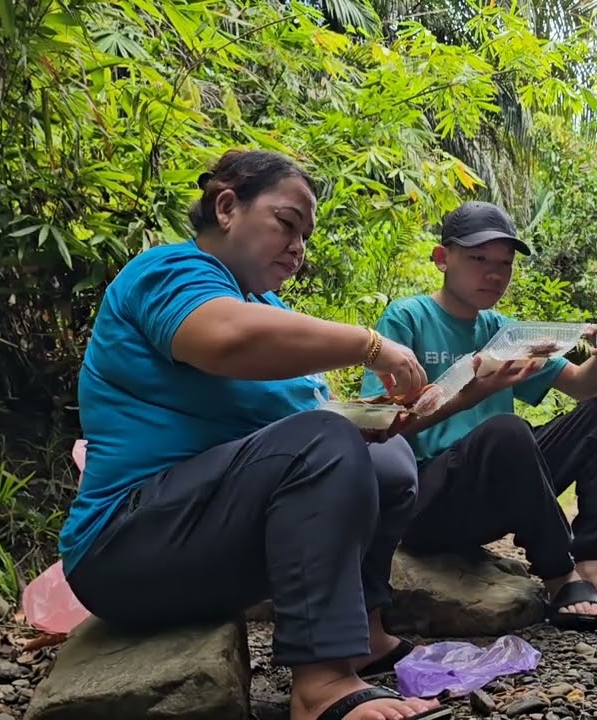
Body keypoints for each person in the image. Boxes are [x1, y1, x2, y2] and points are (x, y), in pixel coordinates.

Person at [58, 149, 450, 720]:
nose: (298, 247)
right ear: (226, 207)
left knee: (388, 458)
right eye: (287, 224)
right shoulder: (170, 271)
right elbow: (224, 339)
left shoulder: (267, 306)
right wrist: (371, 344)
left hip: (208, 548)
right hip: (124, 547)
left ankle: (362, 635)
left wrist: (457, 395)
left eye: (305, 236)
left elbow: (338, 436)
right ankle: (321, 687)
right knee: (324, 441)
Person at [360, 200, 597, 631]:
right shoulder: (407, 318)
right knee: (507, 431)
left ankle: (594, 567)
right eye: (478, 259)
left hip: (497, 486)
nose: (493, 274)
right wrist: (471, 394)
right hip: (427, 501)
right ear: (442, 258)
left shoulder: (504, 330)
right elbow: (380, 426)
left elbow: (580, 386)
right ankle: (558, 573)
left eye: (504, 264)